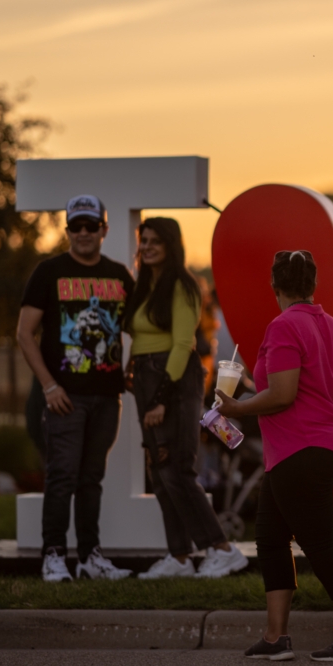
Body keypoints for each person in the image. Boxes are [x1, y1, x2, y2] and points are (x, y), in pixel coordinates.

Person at [217, 250, 333, 662]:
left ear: (275, 287)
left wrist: (236, 409)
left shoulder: (283, 327)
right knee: (270, 539)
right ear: (313, 286)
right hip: (316, 450)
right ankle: (276, 639)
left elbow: (283, 395)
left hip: (301, 450)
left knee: (320, 545)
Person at [16, 195, 135, 582]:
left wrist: (133, 368)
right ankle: (53, 555)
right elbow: (23, 334)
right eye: (76, 227)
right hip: (65, 395)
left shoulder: (120, 276)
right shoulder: (49, 272)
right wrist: (49, 386)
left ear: (104, 229)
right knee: (62, 476)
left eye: (90, 226)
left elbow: (143, 330)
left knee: (90, 479)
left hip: (107, 394)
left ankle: (89, 556)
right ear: (67, 230)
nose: (83, 233)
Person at [126, 218, 248, 580]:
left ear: (171, 245)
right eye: (143, 240)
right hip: (148, 377)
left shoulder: (182, 285)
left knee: (178, 470)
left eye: (155, 242)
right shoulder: (146, 284)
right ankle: (179, 557)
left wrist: (160, 397)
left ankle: (223, 549)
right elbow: (140, 336)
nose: (147, 247)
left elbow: (184, 343)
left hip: (175, 379)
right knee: (160, 473)